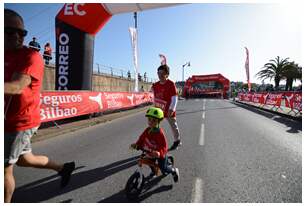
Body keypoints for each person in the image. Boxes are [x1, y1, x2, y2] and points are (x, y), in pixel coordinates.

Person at [4, 9, 75, 203]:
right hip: (9, 119)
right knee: (25, 160)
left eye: (22, 33)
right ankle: (63, 168)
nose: (17, 37)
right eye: (10, 32)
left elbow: (17, 86)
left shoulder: (32, 56)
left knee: (4, 169)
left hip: (19, 122)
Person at [130, 107, 179, 182]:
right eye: (149, 119)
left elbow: (163, 146)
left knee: (163, 168)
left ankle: (173, 170)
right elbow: (141, 138)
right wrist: (137, 145)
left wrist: (159, 153)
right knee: (148, 161)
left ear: (159, 121)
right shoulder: (147, 130)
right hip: (150, 151)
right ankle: (153, 171)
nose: (151, 122)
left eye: (154, 120)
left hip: (159, 154)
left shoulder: (160, 133)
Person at [152, 64, 181, 150]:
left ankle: (177, 140)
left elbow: (175, 98)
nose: (160, 75)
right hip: (158, 109)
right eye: (158, 73)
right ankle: (154, 143)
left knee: (173, 126)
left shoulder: (171, 84)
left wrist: (172, 109)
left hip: (168, 110)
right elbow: (152, 95)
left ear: (167, 75)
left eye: (162, 73)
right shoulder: (155, 85)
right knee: (154, 126)